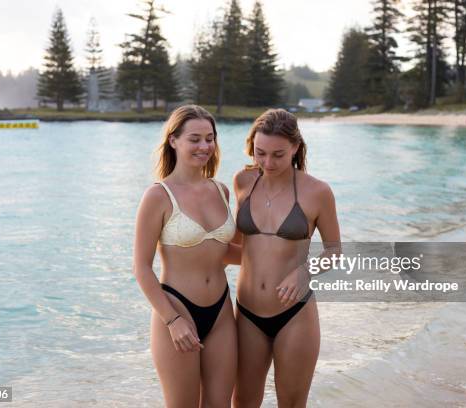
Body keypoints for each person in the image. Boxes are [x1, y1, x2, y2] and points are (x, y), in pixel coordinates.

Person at [232, 109, 341, 407]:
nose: (268, 163)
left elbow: (334, 250)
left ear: (295, 147)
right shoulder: (243, 181)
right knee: (242, 402)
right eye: (260, 153)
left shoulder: (317, 191)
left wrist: (304, 272)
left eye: (278, 155)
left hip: (295, 314)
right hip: (247, 312)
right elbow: (235, 248)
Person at [133, 105, 239, 407]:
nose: (204, 146)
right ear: (173, 140)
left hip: (221, 312)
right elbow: (141, 267)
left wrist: (282, 255)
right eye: (195, 139)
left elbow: (222, 251)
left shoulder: (221, 191)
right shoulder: (158, 195)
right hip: (177, 309)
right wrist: (173, 320)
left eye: (210, 138)